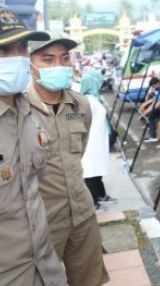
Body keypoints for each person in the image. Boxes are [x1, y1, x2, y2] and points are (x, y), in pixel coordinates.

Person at [0, 6, 66, 285]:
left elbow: (34, 189)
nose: (16, 58)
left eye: (21, 48)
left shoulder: (35, 113)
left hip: (47, 271)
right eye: (1, 51)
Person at [27, 32, 108, 285]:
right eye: (48, 60)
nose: (58, 66)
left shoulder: (80, 105)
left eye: (64, 58)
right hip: (42, 222)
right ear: (30, 65)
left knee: (89, 280)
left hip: (82, 213)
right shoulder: (19, 109)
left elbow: (78, 153)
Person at [80, 69, 114, 211]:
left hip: (99, 141)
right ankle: (93, 202)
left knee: (97, 170)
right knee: (90, 172)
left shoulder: (94, 98)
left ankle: (101, 194)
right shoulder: (86, 101)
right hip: (91, 142)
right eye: (97, 81)